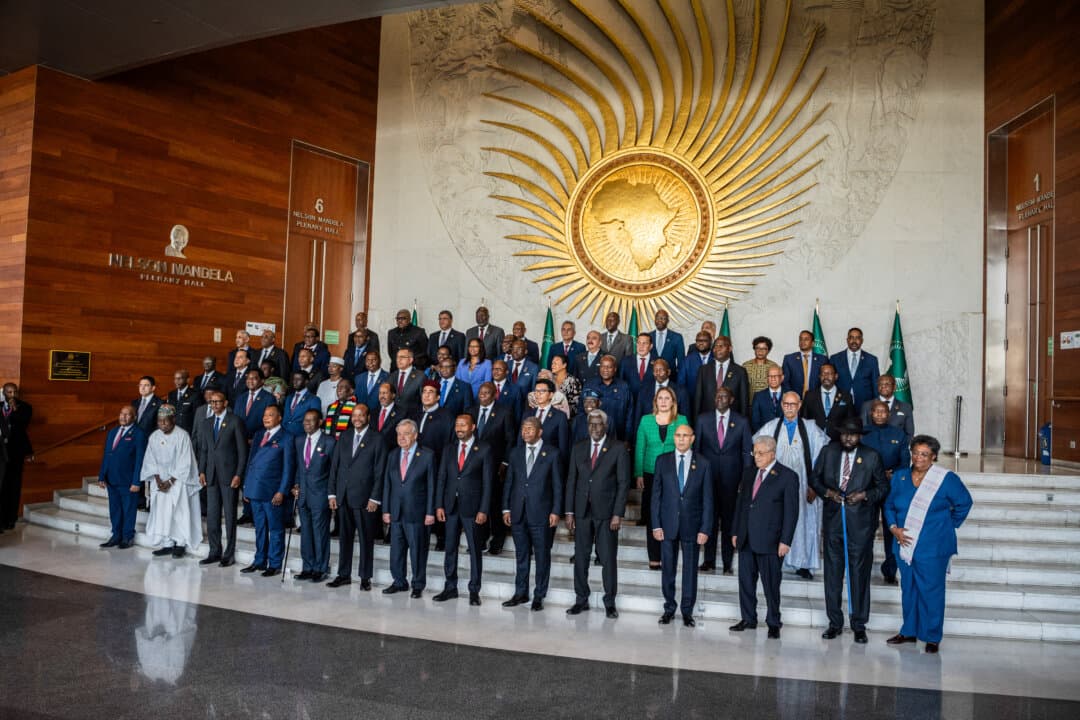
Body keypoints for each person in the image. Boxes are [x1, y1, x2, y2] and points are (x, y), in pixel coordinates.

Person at [884, 435, 973, 653]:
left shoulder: (945, 479)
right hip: (904, 543)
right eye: (915, 453)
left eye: (924, 454)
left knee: (931, 590)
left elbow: (964, 503)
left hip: (933, 546)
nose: (919, 458)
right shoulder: (900, 477)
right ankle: (909, 631)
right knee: (908, 589)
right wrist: (893, 528)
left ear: (933, 457)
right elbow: (889, 505)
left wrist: (944, 526)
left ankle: (932, 636)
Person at [809, 417, 890, 643]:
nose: (848, 438)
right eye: (844, 433)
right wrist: (827, 493)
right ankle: (835, 622)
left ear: (860, 436)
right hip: (834, 523)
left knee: (859, 574)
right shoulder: (829, 452)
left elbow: (882, 487)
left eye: (853, 434)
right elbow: (814, 478)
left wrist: (865, 495)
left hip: (861, 526)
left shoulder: (872, 456)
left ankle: (859, 623)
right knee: (833, 575)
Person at [730, 436, 799, 639]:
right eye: (754, 453)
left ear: (772, 453)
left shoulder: (787, 476)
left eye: (760, 453)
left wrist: (785, 541)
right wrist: (735, 530)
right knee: (746, 583)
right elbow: (741, 504)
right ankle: (748, 618)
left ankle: (774, 622)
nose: (756, 457)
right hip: (746, 537)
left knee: (771, 585)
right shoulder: (749, 473)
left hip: (771, 541)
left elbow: (791, 513)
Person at [565, 409, 631, 619]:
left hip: (606, 513)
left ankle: (609, 602)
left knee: (608, 559)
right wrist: (569, 511)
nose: (594, 428)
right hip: (582, 511)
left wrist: (618, 513)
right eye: (591, 424)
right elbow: (571, 481)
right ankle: (581, 599)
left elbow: (623, 484)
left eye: (598, 424)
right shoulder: (578, 448)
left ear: (606, 426)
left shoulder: (618, 448)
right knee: (581, 558)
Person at [754, 391, 828, 580]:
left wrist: (814, 486)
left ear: (799, 405)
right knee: (776, 520)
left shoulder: (810, 428)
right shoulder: (771, 427)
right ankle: (778, 560)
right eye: (786, 404)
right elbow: (758, 450)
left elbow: (822, 456)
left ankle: (803, 564)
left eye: (793, 404)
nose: (789, 407)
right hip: (775, 484)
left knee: (803, 521)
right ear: (781, 405)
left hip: (804, 484)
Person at [652, 423, 713, 627]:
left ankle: (687, 611)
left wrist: (705, 528)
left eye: (685, 436)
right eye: (678, 435)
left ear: (692, 438)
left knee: (689, 571)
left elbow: (708, 500)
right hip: (667, 525)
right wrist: (656, 525)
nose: (681, 439)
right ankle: (669, 608)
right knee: (668, 569)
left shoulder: (703, 464)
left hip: (692, 526)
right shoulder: (662, 461)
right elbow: (656, 497)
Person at [502, 416, 563, 611]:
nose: (526, 432)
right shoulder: (515, 453)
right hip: (518, 512)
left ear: (540, 432)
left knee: (542, 556)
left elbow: (557, 485)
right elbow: (509, 482)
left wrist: (556, 510)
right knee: (521, 555)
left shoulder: (552, 453)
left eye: (530, 429)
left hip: (542, 513)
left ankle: (539, 595)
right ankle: (520, 593)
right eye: (523, 429)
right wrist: (506, 508)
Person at [435, 414, 493, 605]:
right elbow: (442, 478)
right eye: (457, 425)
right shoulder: (449, 448)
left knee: (475, 550)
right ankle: (450, 587)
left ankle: (474, 590)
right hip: (450, 507)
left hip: (473, 508)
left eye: (463, 425)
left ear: (473, 426)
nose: (459, 428)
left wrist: (483, 509)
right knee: (450, 548)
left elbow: (487, 482)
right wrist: (439, 505)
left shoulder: (484, 449)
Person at [695, 386, 753, 574]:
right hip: (708, 479)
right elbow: (697, 450)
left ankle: (727, 563)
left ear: (732, 400)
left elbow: (746, 452)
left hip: (732, 480)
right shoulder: (703, 419)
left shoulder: (742, 421)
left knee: (729, 522)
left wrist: (745, 478)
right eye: (717, 396)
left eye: (724, 396)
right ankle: (709, 561)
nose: (720, 399)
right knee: (709, 519)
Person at [327, 405, 386, 591]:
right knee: (344, 538)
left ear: (368, 416)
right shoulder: (344, 436)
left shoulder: (377, 439)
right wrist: (332, 493)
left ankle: (365, 577)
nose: (357, 418)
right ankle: (343, 575)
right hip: (343, 497)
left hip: (365, 499)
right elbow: (335, 466)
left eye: (361, 415)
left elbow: (380, 471)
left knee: (366, 540)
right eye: (354, 415)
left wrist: (375, 498)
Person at [381, 419, 436, 597]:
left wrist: (430, 512)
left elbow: (431, 486)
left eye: (406, 433)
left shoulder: (427, 455)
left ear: (415, 435)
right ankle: (399, 581)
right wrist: (386, 510)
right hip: (396, 511)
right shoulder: (393, 455)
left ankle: (418, 584)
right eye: (399, 434)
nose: (401, 437)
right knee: (396, 550)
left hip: (418, 513)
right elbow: (387, 484)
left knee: (418, 550)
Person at [634, 387, 687, 570]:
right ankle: (654, 556)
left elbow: (686, 446)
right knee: (652, 515)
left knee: (671, 514)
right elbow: (640, 447)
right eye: (660, 398)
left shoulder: (681, 420)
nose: (663, 401)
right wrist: (639, 473)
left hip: (674, 473)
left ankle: (669, 556)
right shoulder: (646, 420)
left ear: (673, 401)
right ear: (655, 401)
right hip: (650, 472)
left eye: (667, 398)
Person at [140, 405, 202, 559]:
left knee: (178, 511)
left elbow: (185, 461)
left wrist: (171, 481)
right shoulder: (154, 436)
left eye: (166, 421)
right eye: (160, 422)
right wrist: (158, 479)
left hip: (178, 481)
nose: (163, 425)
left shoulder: (182, 436)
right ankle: (167, 543)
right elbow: (150, 459)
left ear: (173, 419)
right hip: (159, 481)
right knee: (162, 512)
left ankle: (180, 543)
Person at [241, 405, 295, 577]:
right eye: (265, 415)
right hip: (255, 490)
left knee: (276, 529)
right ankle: (259, 561)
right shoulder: (259, 435)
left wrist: (282, 491)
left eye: (270, 415)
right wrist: (247, 487)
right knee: (260, 528)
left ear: (280, 417)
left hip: (272, 493)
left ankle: (275, 563)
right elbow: (251, 462)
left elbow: (288, 468)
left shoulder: (286, 438)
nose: (266, 418)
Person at [196, 391, 248, 567]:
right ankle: (214, 551)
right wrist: (201, 471)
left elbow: (242, 452)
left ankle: (229, 553)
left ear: (225, 403)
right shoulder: (206, 423)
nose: (215, 405)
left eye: (218, 402)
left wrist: (238, 474)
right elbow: (204, 449)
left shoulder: (235, 421)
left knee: (230, 515)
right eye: (212, 402)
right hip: (210, 476)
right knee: (212, 516)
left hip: (229, 476)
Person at [863, 400, 911, 585]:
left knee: (891, 529)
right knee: (867, 528)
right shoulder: (864, 433)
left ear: (888, 414)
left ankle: (890, 570)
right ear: (871, 413)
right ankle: (864, 566)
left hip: (892, 489)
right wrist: (875, 474)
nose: (880, 415)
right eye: (877, 412)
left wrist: (894, 474)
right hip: (870, 487)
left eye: (884, 412)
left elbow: (905, 462)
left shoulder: (898, 435)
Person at [468, 382, 515, 556]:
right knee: (477, 503)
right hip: (474, 466)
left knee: (495, 503)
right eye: (481, 392)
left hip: (495, 466)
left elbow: (510, 439)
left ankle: (497, 540)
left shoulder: (504, 412)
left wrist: (505, 462)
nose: (483, 395)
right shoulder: (470, 411)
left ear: (494, 394)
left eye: (487, 393)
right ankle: (480, 539)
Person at [292, 409, 335, 583]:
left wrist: (332, 494)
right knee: (306, 533)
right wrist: (295, 484)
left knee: (320, 533)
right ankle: (308, 567)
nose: (307, 423)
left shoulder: (330, 442)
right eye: (305, 420)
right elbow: (299, 467)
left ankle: (321, 568)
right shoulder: (299, 440)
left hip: (320, 495)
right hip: (302, 494)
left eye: (311, 420)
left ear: (320, 422)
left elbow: (333, 471)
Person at [97, 406, 145, 549]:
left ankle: (127, 537)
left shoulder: (139, 434)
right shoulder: (112, 432)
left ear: (134, 417)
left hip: (128, 480)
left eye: (127, 415)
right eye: (121, 414)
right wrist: (102, 475)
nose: (123, 417)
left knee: (129, 509)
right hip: (112, 478)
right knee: (115, 509)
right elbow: (107, 455)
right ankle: (116, 535)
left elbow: (139, 460)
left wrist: (137, 481)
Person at [693, 335, 750, 421]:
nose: (717, 349)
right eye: (715, 346)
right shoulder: (703, 370)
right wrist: (696, 421)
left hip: (732, 419)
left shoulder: (740, 372)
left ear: (730, 348)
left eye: (721, 346)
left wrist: (742, 422)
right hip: (707, 419)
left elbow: (744, 400)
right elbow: (698, 398)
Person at [1, 383, 33, 529]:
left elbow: (23, 424)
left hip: (16, 453)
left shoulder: (25, 407)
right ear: (4, 392)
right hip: (1, 453)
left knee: (13, 486)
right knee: (2, 486)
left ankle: (11, 519)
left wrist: (14, 410)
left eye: (14, 392)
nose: (12, 395)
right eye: (9, 392)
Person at [582, 355, 633, 442]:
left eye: (609, 367)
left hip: (617, 436)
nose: (605, 369)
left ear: (615, 369)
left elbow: (629, 415)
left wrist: (627, 439)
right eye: (603, 366)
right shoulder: (590, 385)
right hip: (594, 436)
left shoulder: (624, 387)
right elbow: (581, 411)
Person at [801, 363, 856, 442]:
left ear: (836, 376)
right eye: (823, 374)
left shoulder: (846, 396)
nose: (826, 376)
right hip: (814, 440)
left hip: (837, 441)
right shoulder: (810, 395)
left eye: (829, 373)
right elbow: (804, 419)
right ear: (819, 376)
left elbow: (850, 421)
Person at [634, 358, 690, 431]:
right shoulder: (643, 390)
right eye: (655, 370)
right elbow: (638, 417)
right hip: (648, 433)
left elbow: (685, 418)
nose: (658, 373)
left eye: (661, 370)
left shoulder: (681, 391)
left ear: (668, 372)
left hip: (673, 433)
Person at [830, 327, 880, 408]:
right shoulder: (835, 358)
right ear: (847, 340)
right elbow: (831, 382)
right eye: (851, 338)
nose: (854, 341)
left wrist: (877, 403)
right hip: (840, 403)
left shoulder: (871, 360)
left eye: (857, 338)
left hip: (865, 404)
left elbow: (875, 383)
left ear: (862, 340)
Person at [526, 378, 570, 466]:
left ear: (551, 395)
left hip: (549, 463)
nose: (538, 394)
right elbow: (521, 440)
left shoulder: (560, 416)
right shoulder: (528, 414)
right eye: (536, 391)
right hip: (529, 460)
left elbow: (563, 445)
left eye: (542, 391)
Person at [781, 330, 828, 397]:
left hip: (816, 399)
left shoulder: (822, 360)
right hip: (795, 401)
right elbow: (785, 381)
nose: (802, 341)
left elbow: (824, 380)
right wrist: (792, 396)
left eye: (806, 339)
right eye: (801, 339)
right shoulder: (789, 359)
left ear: (813, 343)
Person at [234, 369, 275, 438]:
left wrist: (257, 438)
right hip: (239, 438)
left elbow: (270, 423)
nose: (250, 381)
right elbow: (235, 418)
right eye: (248, 378)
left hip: (258, 439)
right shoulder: (241, 397)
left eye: (254, 378)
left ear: (262, 381)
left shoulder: (269, 398)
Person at [283, 370, 321, 437]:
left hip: (301, 436)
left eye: (298, 379)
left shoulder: (314, 399)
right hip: (285, 434)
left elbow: (313, 421)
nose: (295, 382)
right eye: (294, 379)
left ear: (306, 382)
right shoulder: (289, 398)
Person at [649, 308, 684, 378]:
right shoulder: (649, 337)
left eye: (663, 318)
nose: (660, 320)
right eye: (658, 318)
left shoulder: (677, 337)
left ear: (668, 321)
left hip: (671, 377)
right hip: (651, 377)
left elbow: (681, 361)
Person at [619, 333, 655, 399]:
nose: (641, 346)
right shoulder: (625, 361)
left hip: (650, 402)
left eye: (645, 343)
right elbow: (620, 382)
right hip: (630, 401)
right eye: (639, 343)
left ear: (651, 346)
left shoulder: (657, 362)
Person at [750, 365, 785, 433]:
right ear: (767, 379)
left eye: (776, 375)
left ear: (782, 378)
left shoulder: (789, 395)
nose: (773, 378)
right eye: (770, 376)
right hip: (764, 436)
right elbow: (755, 422)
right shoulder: (758, 396)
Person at [391, 348, 425, 414]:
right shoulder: (391, 376)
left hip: (412, 417)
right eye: (397, 357)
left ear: (410, 360)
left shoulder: (420, 376)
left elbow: (423, 400)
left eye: (402, 357)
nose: (399, 360)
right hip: (393, 417)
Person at [167, 370, 197, 434]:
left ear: (187, 380)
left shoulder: (195, 394)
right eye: (175, 378)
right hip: (172, 430)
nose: (176, 381)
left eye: (179, 378)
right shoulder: (171, 394)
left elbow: (196, 416)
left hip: (187, 431)